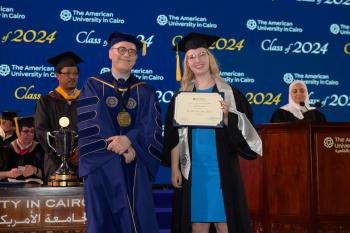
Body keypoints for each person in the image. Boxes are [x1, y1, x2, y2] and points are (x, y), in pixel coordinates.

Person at [163, 32, 262, 233]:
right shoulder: (181, 97)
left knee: (224, 221)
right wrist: (175, 169)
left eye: (201, 54)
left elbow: (248, 131)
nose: (197, 60)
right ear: (186, 62)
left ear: (209, 58)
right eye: (191, 56)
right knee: (197, 223)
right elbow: (174, 136)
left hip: (221, 166)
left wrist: (227, 117)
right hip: (192, 166)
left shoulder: (230, 93)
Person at [77, 32, 163, 233]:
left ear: (136, 57)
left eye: (132, 51)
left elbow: (151, 126)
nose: (127, 54)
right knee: (102, 220)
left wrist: (129, 140)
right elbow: (94, 121)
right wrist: (121, 148)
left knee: (139, 218)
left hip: (136, 163)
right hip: (102, 163)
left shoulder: (146, 91)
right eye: (121, 49)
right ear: (110, 54)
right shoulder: (93, 85)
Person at [34, 51, 83, 182]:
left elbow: (95, 128)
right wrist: (63, 153)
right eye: (67, 73)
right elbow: (41, 130)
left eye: (75, 73)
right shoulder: (46, 101)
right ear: (57, 76)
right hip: (54, 163)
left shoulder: (86, 100)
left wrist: (81, 152)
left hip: (83, 162)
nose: (72, 77)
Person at [0, 116, 44, 181]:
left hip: (34, 189)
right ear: (18, 132)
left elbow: (49, 174)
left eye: (32, 131)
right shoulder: (4, 148)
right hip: (8, 189)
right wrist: (8, 174)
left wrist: (35, 170)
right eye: (25, 131)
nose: (30, 134)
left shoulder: (41, 149)